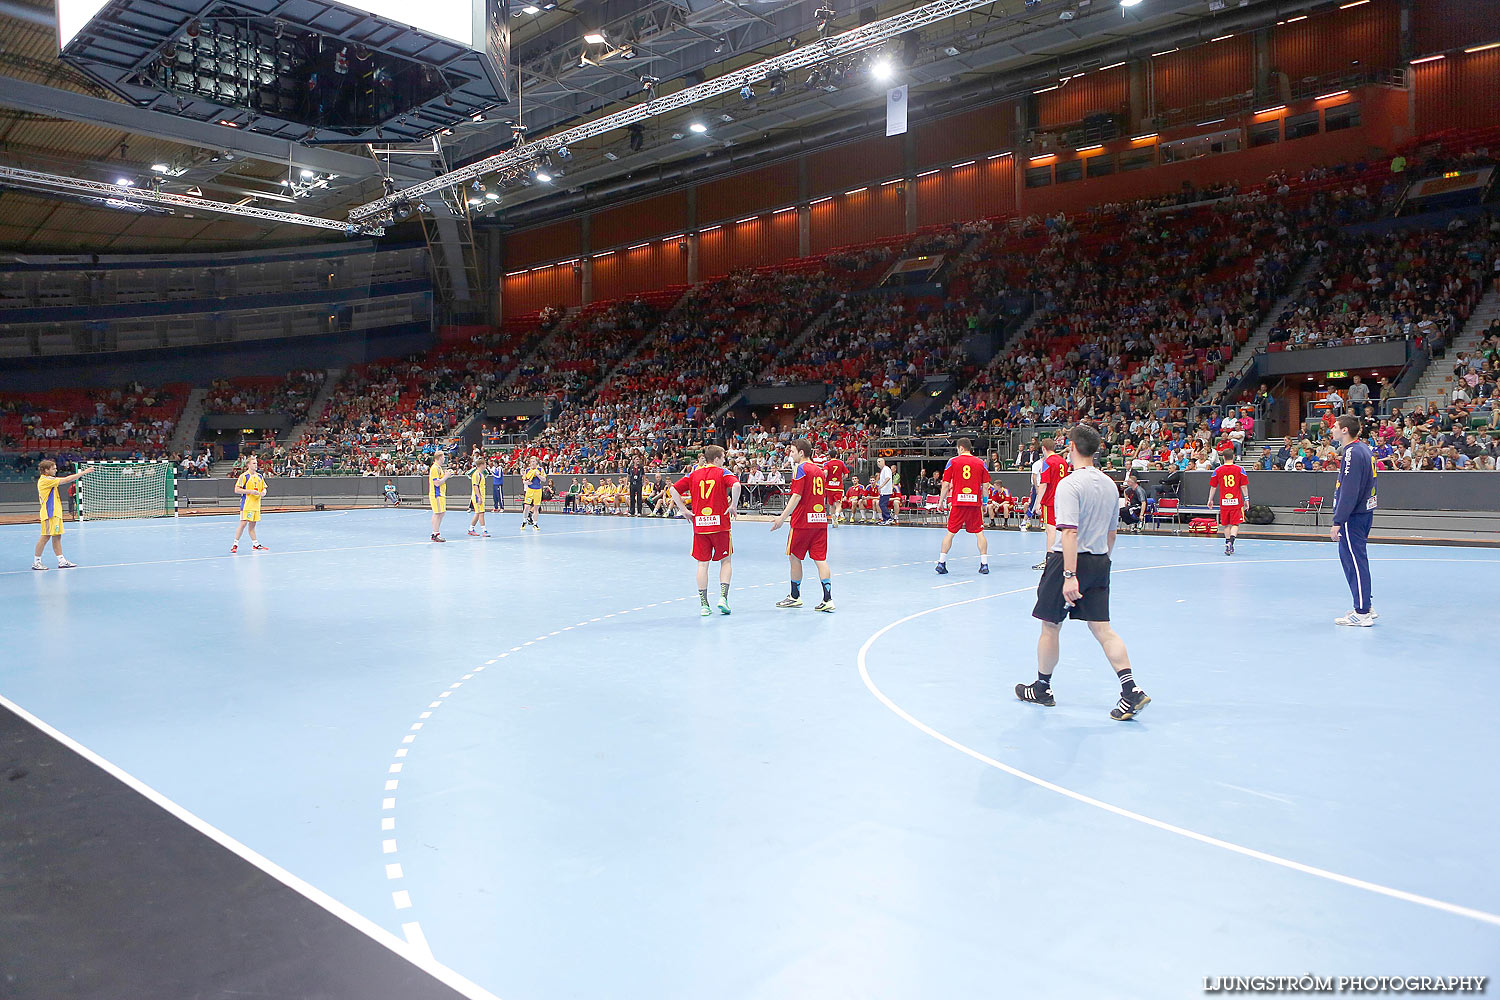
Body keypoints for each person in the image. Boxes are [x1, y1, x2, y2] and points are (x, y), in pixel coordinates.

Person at [1015, 424, 1150, 722]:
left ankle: (1042, 688)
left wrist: (1069, 574)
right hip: (1100, 560)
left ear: (1072, 448)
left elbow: (1069, 534)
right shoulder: (1109, 484)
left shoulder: (1069, 484)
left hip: (1068, 561)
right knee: (1103, 628)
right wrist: (1101, 564)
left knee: (1050, 625)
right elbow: (1112, 533)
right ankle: (1131, 690)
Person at [668, 444, 740, 616]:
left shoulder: (693, 474)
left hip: (700, 526)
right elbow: (736, 486)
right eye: (723, 458)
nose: (724, 461)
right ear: (716, 459)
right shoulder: (722, 472)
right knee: (726, 561)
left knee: (702, 564)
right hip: (720, 525)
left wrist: (684, 510)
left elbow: (672, 489)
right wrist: (733, 505)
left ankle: (704, 605)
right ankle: (723, 598)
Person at [770, 439, 833, 612]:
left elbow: (796, 496)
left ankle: (795, 596)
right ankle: (828, 599)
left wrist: (782, 518)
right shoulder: (820, 471)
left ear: (801, 453)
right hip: (820, 520)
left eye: (792, 451)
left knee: (795, 557)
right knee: (820, 559)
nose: (791, 454)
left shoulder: (801, 469)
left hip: (803, 522)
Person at [1330, 414, 1379, 626]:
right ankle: (1365, 604)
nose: (1331, 428)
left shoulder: (1351, 453)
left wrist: (1338, 520)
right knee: (1356, 559)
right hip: (1363, 512)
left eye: (1335, 426)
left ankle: (1361, 612)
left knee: (1354, 561)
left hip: (1353, 516)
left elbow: (1349, 490)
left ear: (1345, 430)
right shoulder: (1364, 449)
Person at [935, 437, 992, 575]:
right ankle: (984, 564)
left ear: (960, 448)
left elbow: (946, 484)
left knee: (950, 533)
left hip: (958, 503)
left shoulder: (952, 461)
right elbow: (985, 486)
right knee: (979, 533)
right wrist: (985, 503)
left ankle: (941, 563)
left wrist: (940, 501)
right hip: (974, 503)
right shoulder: (981, 463)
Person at [32, 459, 93, 571]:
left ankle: (61, 560)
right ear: (46, 470)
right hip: (49, 513)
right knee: (45, 537)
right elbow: (66, 480)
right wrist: (83, 473)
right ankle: (36, 562)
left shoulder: (49, 479)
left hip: (56, 513)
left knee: (57, 536)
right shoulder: (45, 480)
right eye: (53, 468)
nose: (56, 470)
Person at [1034, 437, 1068, 570]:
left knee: (1050, 530)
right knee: (1061, 529)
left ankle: (1049, 559)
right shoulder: (1063, 461)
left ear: (1043, 448)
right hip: (1062, 499)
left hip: (1050, 500)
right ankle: (1062, 557)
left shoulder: (1047, 462)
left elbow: (1043, 484)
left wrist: (1038, 502)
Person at [1208, 458, 1249, 555]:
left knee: (1226, 524)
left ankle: (1227, 544)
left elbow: (1213, 486)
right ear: (1233, 457)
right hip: (1236, 501)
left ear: (1223, 458)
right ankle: (1231, 542)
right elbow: (1243, 486)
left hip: (1224, 501)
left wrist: (1210, 499)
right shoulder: (1240, 469)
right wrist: (1246, 499)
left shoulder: (1217, 470)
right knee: (1235, 524)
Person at [231, 454, 269, 553]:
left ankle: (255, 544)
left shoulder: (259, 476)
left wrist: (264, 492)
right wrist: (250, 491)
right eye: (254, 463)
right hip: (247, 504)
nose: (256, 465)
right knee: (243, 523)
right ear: (248, 464)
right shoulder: (244, 476)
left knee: (252, 525)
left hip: (256, 505)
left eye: (256, 463)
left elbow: (264, 487)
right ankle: (235, 544)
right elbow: (236, 489)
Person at [428, 451, 454, 542]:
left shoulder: (439, 468)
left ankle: (435, 532)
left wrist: (447, 475)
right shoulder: (435, 468)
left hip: (440, 494)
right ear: (439, 457)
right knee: (438, 513)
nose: (444, 458)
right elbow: (437, 483)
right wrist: (446, 476)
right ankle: (435, 533)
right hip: (436, 494)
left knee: (441, 513)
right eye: (443, 457)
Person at [820, 449, 850, 526]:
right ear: (836, 455)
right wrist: (841, 479)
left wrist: (825, 478)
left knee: (831, 504)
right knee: (838, 504)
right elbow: (846, 474)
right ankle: (836, 516)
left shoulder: (827, 463)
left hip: (829, 487)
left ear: (829, 456)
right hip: (838, 487)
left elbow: (825, 472)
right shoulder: (841, 463)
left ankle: (833, 521)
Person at [467, 459, 490, 537]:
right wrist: (479, 497)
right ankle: (484, 530)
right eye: (485, 464)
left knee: (477, 513)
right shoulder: (476, 474)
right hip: (477, 496)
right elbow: (475, 486)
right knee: (481, 513)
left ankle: (471, 529)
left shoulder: (481, 474)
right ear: (482, 465)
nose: (486, 465)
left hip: (480, 496)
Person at [521, 459, 545, 531]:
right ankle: (524, 521)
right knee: (527, 506)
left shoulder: (540, 469)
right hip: (530, 491)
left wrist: (537, 475)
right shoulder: (527, 470)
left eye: (534, 461)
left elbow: (544, 479)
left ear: (536, 462)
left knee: (536, 508)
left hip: (538, 490)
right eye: (531, 461)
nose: (532, 463)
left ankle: (535, 523)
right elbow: (524, 480)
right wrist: (526, 482)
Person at [875, 457, 894, 524]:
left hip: (886, 491)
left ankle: (888, 518)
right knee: (882, 504)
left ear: (883, 462)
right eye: (877, 462)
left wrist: (882, 486)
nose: (878, 463)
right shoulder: (883, 470)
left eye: (879, 461)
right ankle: (885, 519)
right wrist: (880, 488)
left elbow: (888, 478)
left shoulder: (886, 469)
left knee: (882, 504)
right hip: (883, 491)